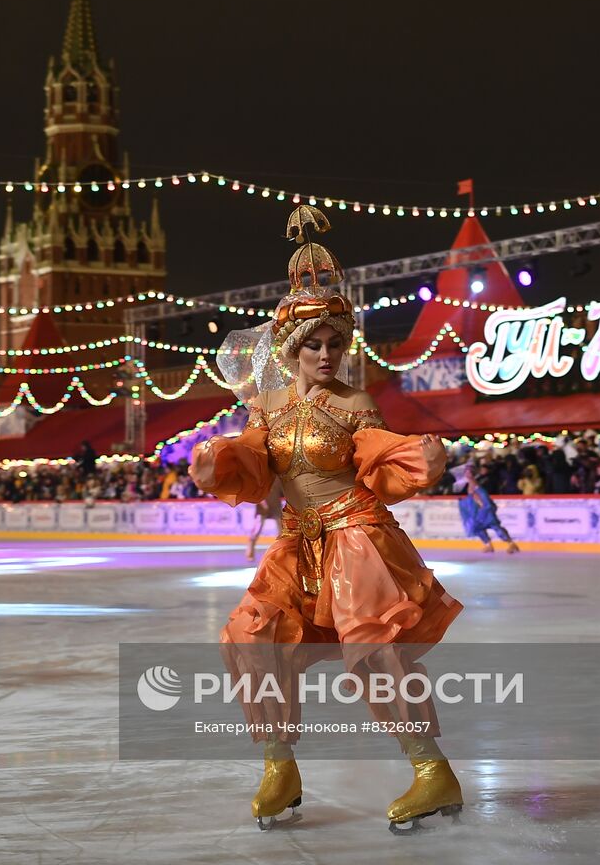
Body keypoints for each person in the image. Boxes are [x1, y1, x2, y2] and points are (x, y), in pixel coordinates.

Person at [192, 208, 464, 834]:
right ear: (290, 350)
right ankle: (278, 765)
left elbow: (377, 458)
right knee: (251, 634)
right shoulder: (268, 404)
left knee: (375, 651)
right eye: (313, 344)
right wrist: (220, 455)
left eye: (336, 343)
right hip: (298, 540)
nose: (326, 354)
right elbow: (256, 464)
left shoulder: (355, 403)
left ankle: (431, 771)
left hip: (357, 537)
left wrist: (414, 455)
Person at [457, 466, 521, 554]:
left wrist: (485, 506)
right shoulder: (470, 483)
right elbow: (472, 497)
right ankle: (488, 545)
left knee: (495, 526)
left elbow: (481, 494)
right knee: (477, 528)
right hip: (479, 510)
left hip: (486, 508)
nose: (467, 474)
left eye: (469, 472)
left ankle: (511, 544)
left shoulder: (475, 482)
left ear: (473, 473)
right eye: (466, 472)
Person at [245, 477, 284, 561]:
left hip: (275, 505)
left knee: (282, 530)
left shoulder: (278, 478)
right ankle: (250, 550)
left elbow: (283, 491)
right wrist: (261, 502)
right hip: (262, 506)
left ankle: (282, 551)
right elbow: (256, 492)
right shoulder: (262, 477)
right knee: (257, 529)